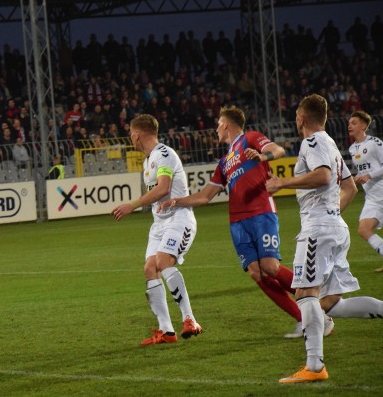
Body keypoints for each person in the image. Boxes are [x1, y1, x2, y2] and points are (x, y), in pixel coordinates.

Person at [158, 106, 333, 338]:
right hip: (237, 222)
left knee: (270, 267)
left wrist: (263, 156)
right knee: (256, 272)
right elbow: (204, 196)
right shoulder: (224, 162)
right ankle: (305, 321)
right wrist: (177, 201)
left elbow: (278, 150)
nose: (216, 128)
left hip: (261, 212)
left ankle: (317, 310)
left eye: (219, 124)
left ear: (227, 125)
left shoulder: (249, 139)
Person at [266, 94, 383, 383]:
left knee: (305, 295)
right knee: (330, 302)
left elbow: (321, 176)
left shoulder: (313, 142)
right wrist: (332, 213)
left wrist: (283, 182)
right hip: (332, 226)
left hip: (318, 230)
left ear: (302, 117)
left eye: (296, 116)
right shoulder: (330, 143)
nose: (295, 120)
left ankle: (314, 366)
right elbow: (349, 188)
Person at [112, 114, 202, 345]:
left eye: (130, 132)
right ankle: (166, 331)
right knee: (150, 268)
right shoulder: (147, 161)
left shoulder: (164, 154)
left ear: (137, 133)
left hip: (179, 219)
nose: (130, 137)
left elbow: (163, 189)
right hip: (159, 224)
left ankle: (189, 319)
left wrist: (132, 205)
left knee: (162, 262)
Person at [347, 110, 383, 271]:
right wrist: (358, 176)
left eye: (354, 123)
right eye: (349, 123)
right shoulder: (352, 149)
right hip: (372, 198)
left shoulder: (375, 143)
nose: (349, 125)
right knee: (363, 229)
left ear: (363, 125)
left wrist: (369, 175)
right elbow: (364, 170)